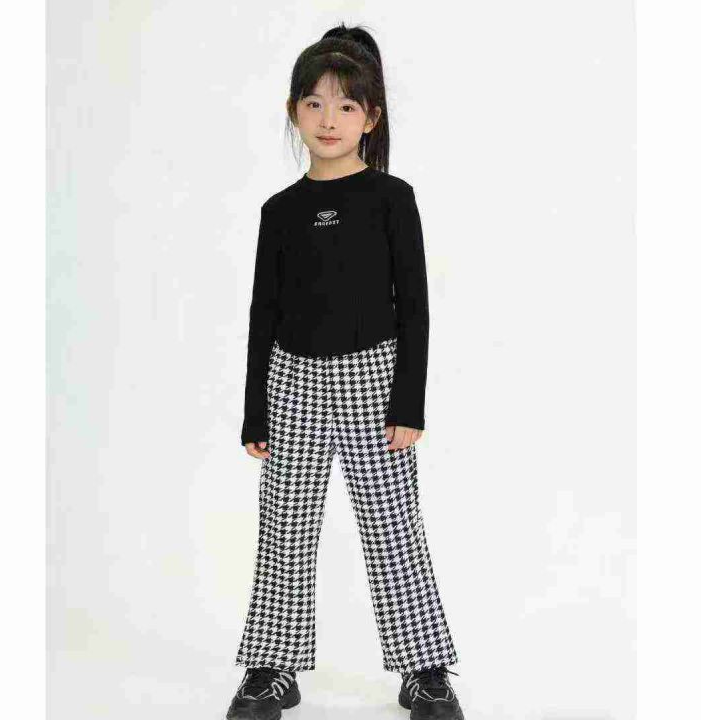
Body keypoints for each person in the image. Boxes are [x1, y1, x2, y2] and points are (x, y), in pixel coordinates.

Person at [226, 22, 465, 720]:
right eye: (314, 103)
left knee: (393, 528)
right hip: (291, 379)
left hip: (374, 377)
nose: (328, 119)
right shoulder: (279, 211)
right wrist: (255, 409)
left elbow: (414, 306)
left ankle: (424, 671)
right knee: (285, 526)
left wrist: (409, 403)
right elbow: (263, 312)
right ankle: (272, 668)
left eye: (346, 105)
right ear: (293, 111)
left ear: (371, 117)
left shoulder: (392, 198)